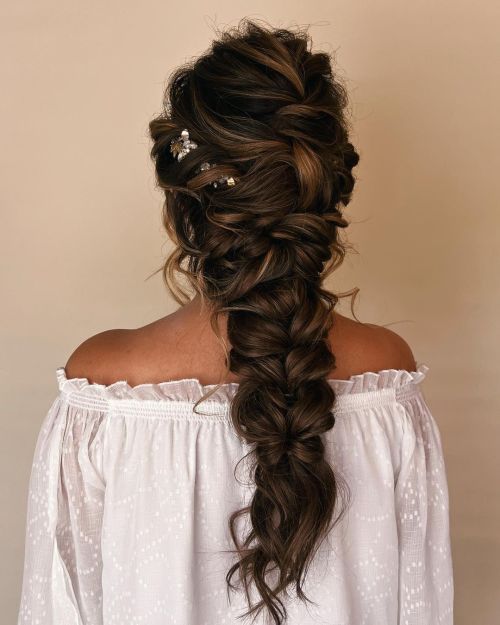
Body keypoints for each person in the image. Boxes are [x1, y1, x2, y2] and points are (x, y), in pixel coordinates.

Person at [17, 18, 453, 625]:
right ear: (321, 197)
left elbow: (63, 609)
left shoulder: (104, 390)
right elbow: (420, 608)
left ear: (182, 206)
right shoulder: (386, 377)